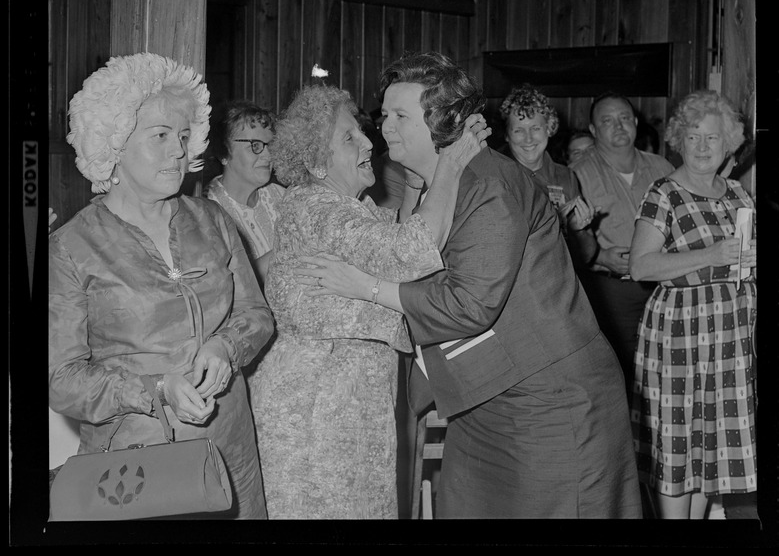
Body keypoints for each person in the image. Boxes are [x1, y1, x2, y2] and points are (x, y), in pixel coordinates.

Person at [298, 52, 641, 519]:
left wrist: (366, 286)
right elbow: (410, 252)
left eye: (401, 115)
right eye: (384, 114)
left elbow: (469, 304)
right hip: (482, 395)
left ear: (444, 122)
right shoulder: (427, 180)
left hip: (549, 398)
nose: (384, 126)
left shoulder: (491, 183)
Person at [48, 53, 274, 519]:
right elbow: (61, 380)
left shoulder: (212, 219)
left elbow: (256, 314)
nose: (179, 149)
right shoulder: (71, 246)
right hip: (135, 467)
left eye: (184, 136)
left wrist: (225, 347)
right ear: (114, 142)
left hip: (231, 454)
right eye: (161, 136)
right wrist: (155, 388)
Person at [250, 82, 489, 519]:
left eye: (362, 131)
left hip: (347, 396)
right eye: (349, 137)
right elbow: (411, 251)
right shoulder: (319, 209)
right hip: (315, 406)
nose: (368, 141)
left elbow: (393, 234)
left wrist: (419, 184)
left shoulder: (345, 206)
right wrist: (451, 164)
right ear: (318, 165)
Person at [628, 90, 757, 519]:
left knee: (708, 447)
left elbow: (742, 258)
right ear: (679, 140)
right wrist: (710, 256)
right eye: (694, 137)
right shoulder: (664, 192)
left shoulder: (738, 193)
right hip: (679, 335)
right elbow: (641, 266)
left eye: (713, 139)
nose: (703, 147)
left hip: (731, 339)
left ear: (729, 146)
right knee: (677, 440)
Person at [570, 92, 674, 390]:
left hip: (662, 287)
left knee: (666, 371)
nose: (618, 126)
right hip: (611, 292)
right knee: (622, 377)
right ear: (593, 130)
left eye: (624, 118)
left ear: (636, 122)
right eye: (607, 120)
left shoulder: (662, 168)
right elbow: (562, 238)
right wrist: (600, 255)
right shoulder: (576, 174)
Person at [498, 84, 595, 253]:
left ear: (549, 128)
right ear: (507, 135)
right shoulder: (495, 176)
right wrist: (559, 222)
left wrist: (576, 230)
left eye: (535, 128)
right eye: (518, 130)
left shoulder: (565, 175)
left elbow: (588, 255)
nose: (528, 139)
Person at [203, 100, 285, 284]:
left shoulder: (280, 196)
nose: (268, 155)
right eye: (255, 145)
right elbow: (228, 287)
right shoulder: (207, 210)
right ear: (223, 152)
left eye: (270, 145)